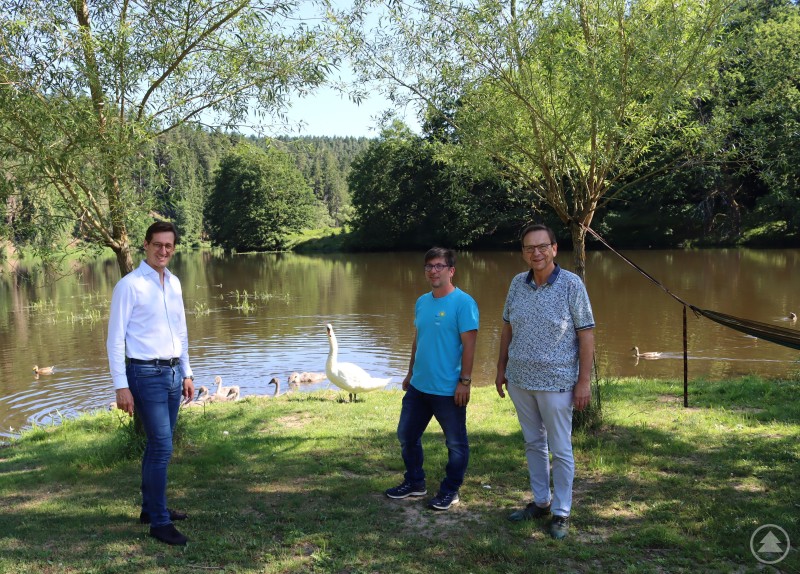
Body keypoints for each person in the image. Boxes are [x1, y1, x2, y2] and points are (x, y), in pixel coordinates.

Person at [495, 224, 594, 540]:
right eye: (529, 248)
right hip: (520, 380)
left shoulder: (571, 285)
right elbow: (507, 328)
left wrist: (584, 382)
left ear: (554, 248)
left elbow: (586, 335)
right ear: (523, 252)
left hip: (558, 382)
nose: (535, 253)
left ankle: (562, 512)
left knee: (561, 448)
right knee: (534, 442)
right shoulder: (516, 284)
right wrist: (501, 368)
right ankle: (541, 502)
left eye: (541, 246)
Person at [107, 221, 195, 546]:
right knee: (162, 447)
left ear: (173, 248)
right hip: (144, 375)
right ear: (146, 245)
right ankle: (159, 523)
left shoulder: (173, 283)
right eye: (157, 244)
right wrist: (121, 385)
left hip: (173, 374)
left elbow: (181, 332)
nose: (163, 251)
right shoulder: (129, 286)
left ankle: (150, 509)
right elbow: (115, 340)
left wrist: (186, 372)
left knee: (159, 445)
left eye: (168, 246)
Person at [385, 247, 479, 511]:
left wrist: (465, 381)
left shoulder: (464, 303)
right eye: (429, 266)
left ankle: (451, 490)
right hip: (419, 387)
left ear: (451, 271)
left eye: (439, 266)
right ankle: (415, 482)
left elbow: (470, 346)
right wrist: (410, 371)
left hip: (448, 390)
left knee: (456, 444)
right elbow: (419, 339)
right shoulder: (422, 301)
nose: (433, 271)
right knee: (406, 435)